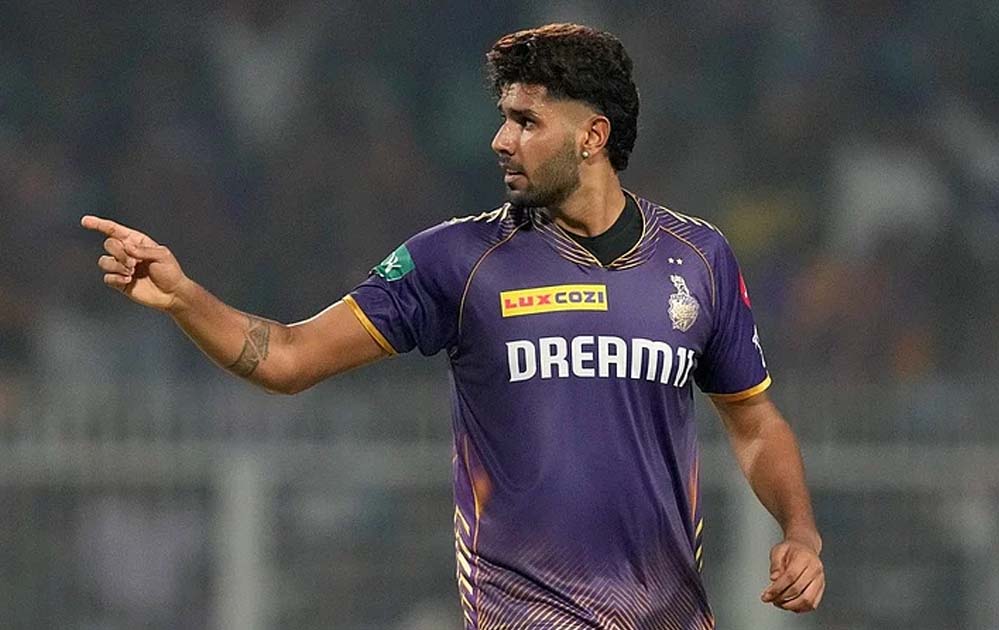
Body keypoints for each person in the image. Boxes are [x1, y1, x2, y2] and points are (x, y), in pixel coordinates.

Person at [83, 22, 823, 630]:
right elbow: (289, 357)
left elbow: (754, 422)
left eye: (526, 121)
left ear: (592, 136)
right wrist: (186, 298)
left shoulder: (698, 258)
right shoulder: (457, 260)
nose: (500, 140)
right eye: (504, 118)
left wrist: (799, 531)